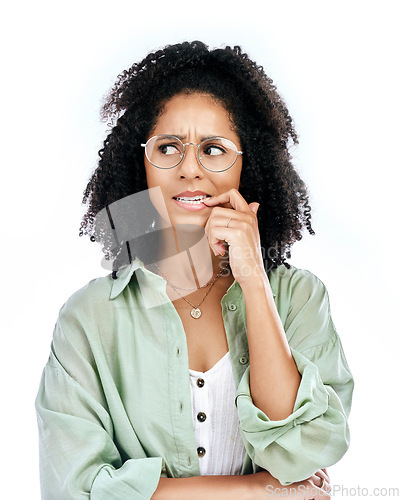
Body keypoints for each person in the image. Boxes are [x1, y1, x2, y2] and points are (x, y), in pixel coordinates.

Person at [35, 41, 354, 500]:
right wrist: (256, 492)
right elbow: (76, 490)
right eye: (167, 147)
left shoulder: (299, 299)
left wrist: (254, 282)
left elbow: (301, 454)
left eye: (214, 148)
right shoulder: (89, 318)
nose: (190, 169)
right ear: (139, 165)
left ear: (249, 163)